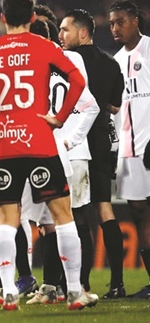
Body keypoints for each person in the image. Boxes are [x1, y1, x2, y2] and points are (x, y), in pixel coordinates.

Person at [0, 0, 98, 311]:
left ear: (1, 19)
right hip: (40, 142)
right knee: (62, 217)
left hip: (3, 144)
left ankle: (9, 293)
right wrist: (58, 118)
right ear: (32, 18)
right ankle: (74, 291)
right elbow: (78, 82)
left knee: (6, 219)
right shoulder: (44, 46)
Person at [24, 19, 100, 304]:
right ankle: (56, 286)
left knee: (69, 220)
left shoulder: (60, 61)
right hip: (51, 150)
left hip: (60, 151)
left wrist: (71, 139)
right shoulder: (61, 61)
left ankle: (76, 284)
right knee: (53, 222)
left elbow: (88, 103)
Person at [59, 8, 126, 298]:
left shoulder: (63, 62)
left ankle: (80, 283)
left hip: (74, 143)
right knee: (104, 208)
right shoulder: (111, 64)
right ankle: (117, 283)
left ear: (82, 32)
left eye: (65, 30)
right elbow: (114, 105)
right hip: (101, 139)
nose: (60, 35)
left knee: (75, 214)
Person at [109, 0, 150, 299]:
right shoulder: (115, 61)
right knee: (139, 213)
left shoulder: (148, 49)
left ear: (135, 20)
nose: (115, 28)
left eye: (120, 21)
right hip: (129, 149)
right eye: (111, 23)